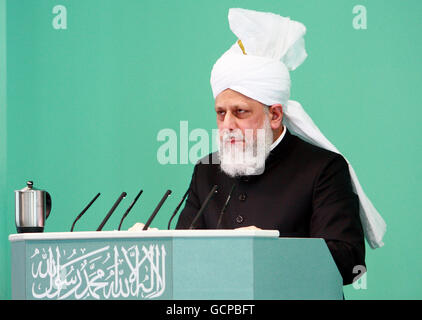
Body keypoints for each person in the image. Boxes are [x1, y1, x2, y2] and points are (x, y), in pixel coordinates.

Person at [174, 8, 386, 286]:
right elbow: (183, 254)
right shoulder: (207, 170)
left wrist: (263, 249)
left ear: (274, 115)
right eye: (220, 113)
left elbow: (349, 262)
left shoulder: (323, 169)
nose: (227, 124)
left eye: (240, 112)